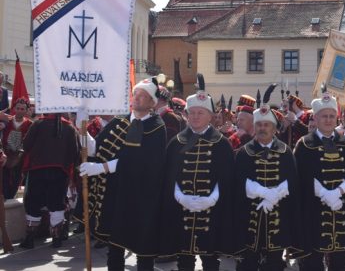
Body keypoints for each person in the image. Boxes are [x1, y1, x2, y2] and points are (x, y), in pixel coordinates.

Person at [78, 77, 167, 271]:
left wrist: (103, 168)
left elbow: (141, 161)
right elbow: (98, 149)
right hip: (117, 193)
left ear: (152, 103)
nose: (137, 99)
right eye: (136, 94)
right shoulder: (120, 120)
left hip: (142, 197)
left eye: (143, 96)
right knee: (115, 247)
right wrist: (82, 131)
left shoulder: (156, 127)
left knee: (144, 252)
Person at [160, 74, 235, 271]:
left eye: (200, 113)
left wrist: (213, 197)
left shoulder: (222, 144)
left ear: (210, 116)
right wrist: (178, 195)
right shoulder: (176, 142)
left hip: (212, 211)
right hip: (181, 210)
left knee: (211, 261)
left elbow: (227, 178)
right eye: (192, 113)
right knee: (184, 260)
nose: (195, 117)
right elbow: (169, 176)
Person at [293, 86, 345, 271]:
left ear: (337, 118)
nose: (328, 120)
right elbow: (299, 176)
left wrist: (340, 191)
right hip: (313, 211)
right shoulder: (304, 145)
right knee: (312, 263)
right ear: (316, 118)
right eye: (324, 116)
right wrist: (323, 193)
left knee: (339, 263)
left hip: (341, 209)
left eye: (331, 116)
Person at [235, 85, 301, 271]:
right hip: (250, 220)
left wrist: (275, 195)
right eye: (259, 125)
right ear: (254, 127)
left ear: (274, 128)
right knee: (248, 263)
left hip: (278, 219)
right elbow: (238, 183)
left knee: (274, 264)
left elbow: (292, 181)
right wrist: (261, 192)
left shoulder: (285, 152)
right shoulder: (244, 153)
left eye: (267, 125)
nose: (263, 128)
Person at [19, 113, 78, 248]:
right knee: (57, 203)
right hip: (60, 172)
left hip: (37, 170)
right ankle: (56, 238)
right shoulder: (69, 128)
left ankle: (29, 238)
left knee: (33, 203)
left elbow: (26, 145)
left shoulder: (38, 124)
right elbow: (74, 153)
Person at [2, 97, 33, 200]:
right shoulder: (7, 121)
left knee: (16, 181)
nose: (20, 111)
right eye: (18, 108)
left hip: (19, 159)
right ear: (14, 108)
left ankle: (10, 199)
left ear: (26, 110)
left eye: (22, 109)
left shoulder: (30, 124)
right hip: (4, 157)